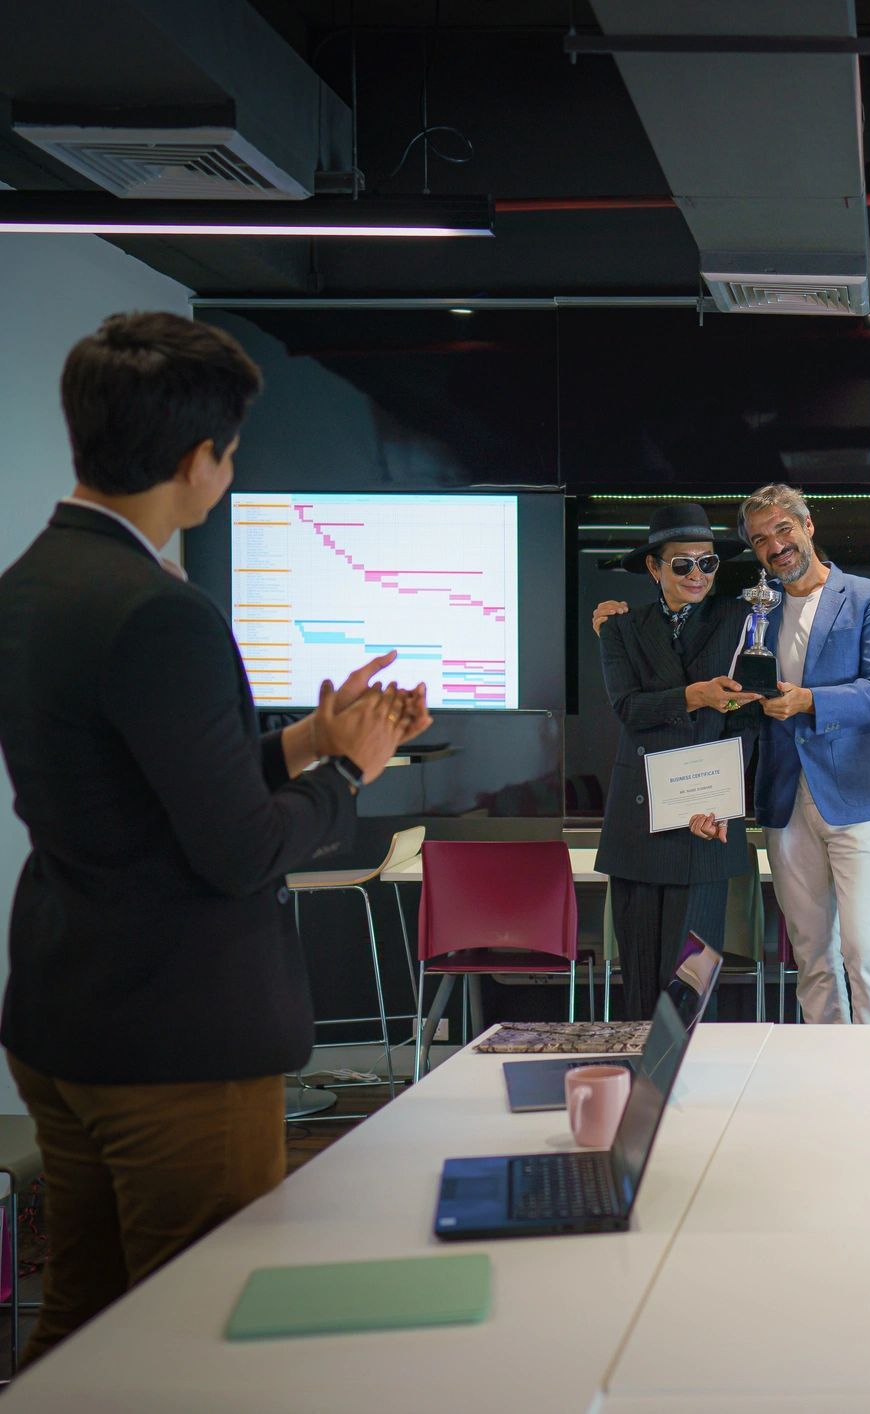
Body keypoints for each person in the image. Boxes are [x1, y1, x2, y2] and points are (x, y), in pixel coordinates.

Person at [0, 311, 428, 1368]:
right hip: (176, 1039)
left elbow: (146, 783)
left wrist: (308, 740)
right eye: (230, 455)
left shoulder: (34, 585)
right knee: (198, 1343)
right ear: (201, 459)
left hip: (66, 1014)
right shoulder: (162, 612)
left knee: (84, 1323)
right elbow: (240, 849)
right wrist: (349, 773)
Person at [742, 484, 870, 1025]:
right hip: (784, 796)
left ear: (808, 526)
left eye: (783, 529)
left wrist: (808, 700)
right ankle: (826, 1064)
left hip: (858, 794)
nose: (775, 546)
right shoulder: (752, 609)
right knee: (811, 953)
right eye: (760, 539)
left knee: (866, 947)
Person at [590, 503, 760, 1021]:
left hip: (704, 818)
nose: (697, 575)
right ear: (653, 567)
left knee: (691, 980)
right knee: (640, 975)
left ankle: (687, 1068)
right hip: (639, 819)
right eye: (683, 564)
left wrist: (722, 803)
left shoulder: (741, 619)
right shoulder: (620, 626)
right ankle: (640, 1067)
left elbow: (748, 719)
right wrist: (695, 696)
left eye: (707, 563)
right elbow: (628, 710)